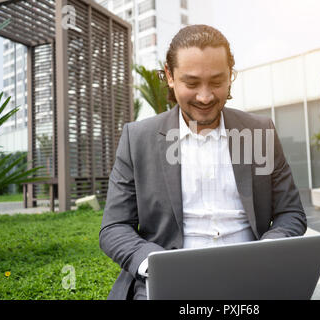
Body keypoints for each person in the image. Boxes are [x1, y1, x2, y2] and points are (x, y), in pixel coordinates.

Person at [99, 24, 307, 300]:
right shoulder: (137, 139)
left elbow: (291, 213)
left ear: (231, 77)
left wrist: (268, 250)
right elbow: (114, 227)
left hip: (252, 281)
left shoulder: (259, 132)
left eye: (217, 82)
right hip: (169, 284)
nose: (205, 96)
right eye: (192, 83)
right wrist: (155, 264)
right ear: (170, 77)